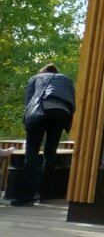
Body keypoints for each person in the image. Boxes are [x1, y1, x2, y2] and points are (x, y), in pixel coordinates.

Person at [11, 64, 76, 206]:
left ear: (43, 71)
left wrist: (28, 122)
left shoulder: (36, 77)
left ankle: (26, 197)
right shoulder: (67, 80)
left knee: (32, 153)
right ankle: (45, 193)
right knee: (50, 153)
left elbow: (29, 102)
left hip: (40, 110)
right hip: (61, 113)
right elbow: (72, 102)